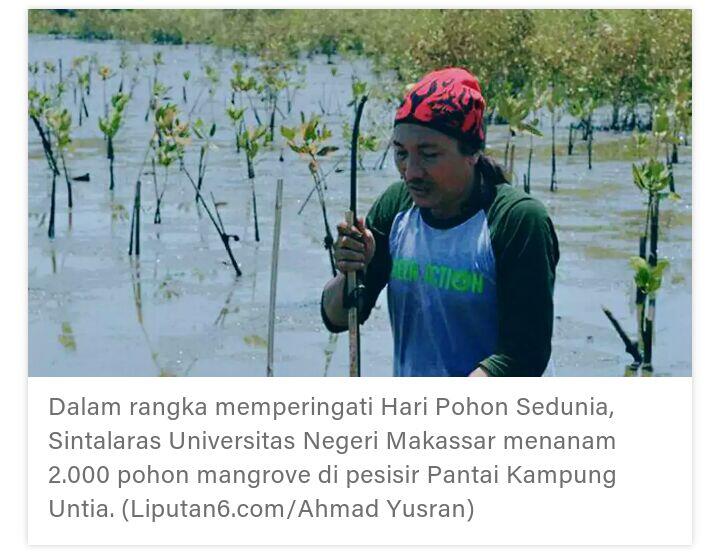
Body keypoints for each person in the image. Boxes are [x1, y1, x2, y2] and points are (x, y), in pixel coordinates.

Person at [321, 67, 559, 377]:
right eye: (401, 153)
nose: (411, 172)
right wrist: (349, 273)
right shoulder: (396, 207)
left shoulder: (518, 220)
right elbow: (338, 318)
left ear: (472, 152)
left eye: (429, 154)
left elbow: (525, 354)